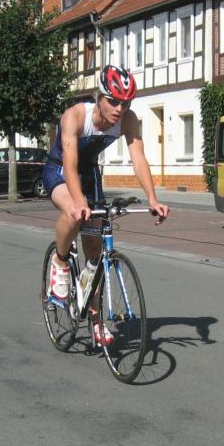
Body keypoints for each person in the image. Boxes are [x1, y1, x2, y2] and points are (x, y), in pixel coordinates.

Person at [42, 64, 169, 345]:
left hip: (90, 175)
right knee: (74, 213)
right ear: (99, 96)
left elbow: (138, 158)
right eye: (113, 101)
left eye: (126, 103)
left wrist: (152, 198)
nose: (119, 109)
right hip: (60, 170)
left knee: (95, 255)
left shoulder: (128, 119)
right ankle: (60, 262)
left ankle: (96, 319)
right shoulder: (75, 116)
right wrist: (79, 202)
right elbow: (70, 164)